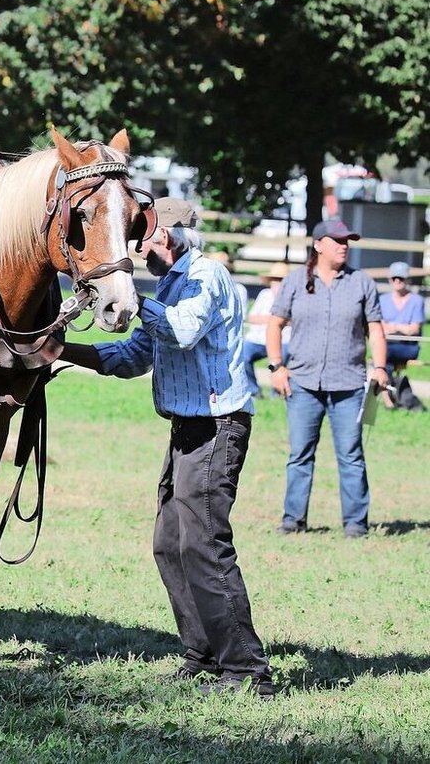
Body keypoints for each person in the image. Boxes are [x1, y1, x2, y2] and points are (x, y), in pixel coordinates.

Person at [61, 197, 273, 698]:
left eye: (143, 238)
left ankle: (246, 671)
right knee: (170, 544)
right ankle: (202, 654)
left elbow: (179, 331)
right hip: (189, 427)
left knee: (203, 545)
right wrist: (62, 351)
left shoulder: (208, 277)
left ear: (171, 237)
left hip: (217, 425)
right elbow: (137, 355)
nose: (136, 249)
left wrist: (130, 298)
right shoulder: (172, 283)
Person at [266, 219, 388, 538]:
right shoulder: (295, 282)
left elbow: (375, 328)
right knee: (300, 454)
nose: (344, 245)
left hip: (348, 384)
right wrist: (276, 366)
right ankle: (293, 518)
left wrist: (380, 367)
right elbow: (274, 324)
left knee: (351, 454)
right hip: (303, 383)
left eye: (347, 241)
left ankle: (356, 523)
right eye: (337, 240)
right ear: (319, 245)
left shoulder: (362, 283)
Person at [378, 261, 425, 410]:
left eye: (401, 278)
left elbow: (414, 330)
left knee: (381, 358)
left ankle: (389, 400)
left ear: (408, 280)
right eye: (394, 278)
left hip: (407, 346)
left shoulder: (416, 300)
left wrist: (394, 326)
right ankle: (393, 399)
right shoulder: (383, 300)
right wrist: (402, 327)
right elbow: (380, 328)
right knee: (385, 363)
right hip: (389, 344)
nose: (397, 281)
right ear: (390, 280)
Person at [240, 263, 290, 398]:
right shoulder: (264, 295)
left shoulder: (292, 296)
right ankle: (254, 391)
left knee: (281, 359)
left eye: (281, 280)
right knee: (243, 356)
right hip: (259, 338)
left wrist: (272, 321)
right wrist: (275, 320)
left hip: (283, 339)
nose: (277, 284)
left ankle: (277, 392)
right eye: (275, 280)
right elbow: (251, 317)